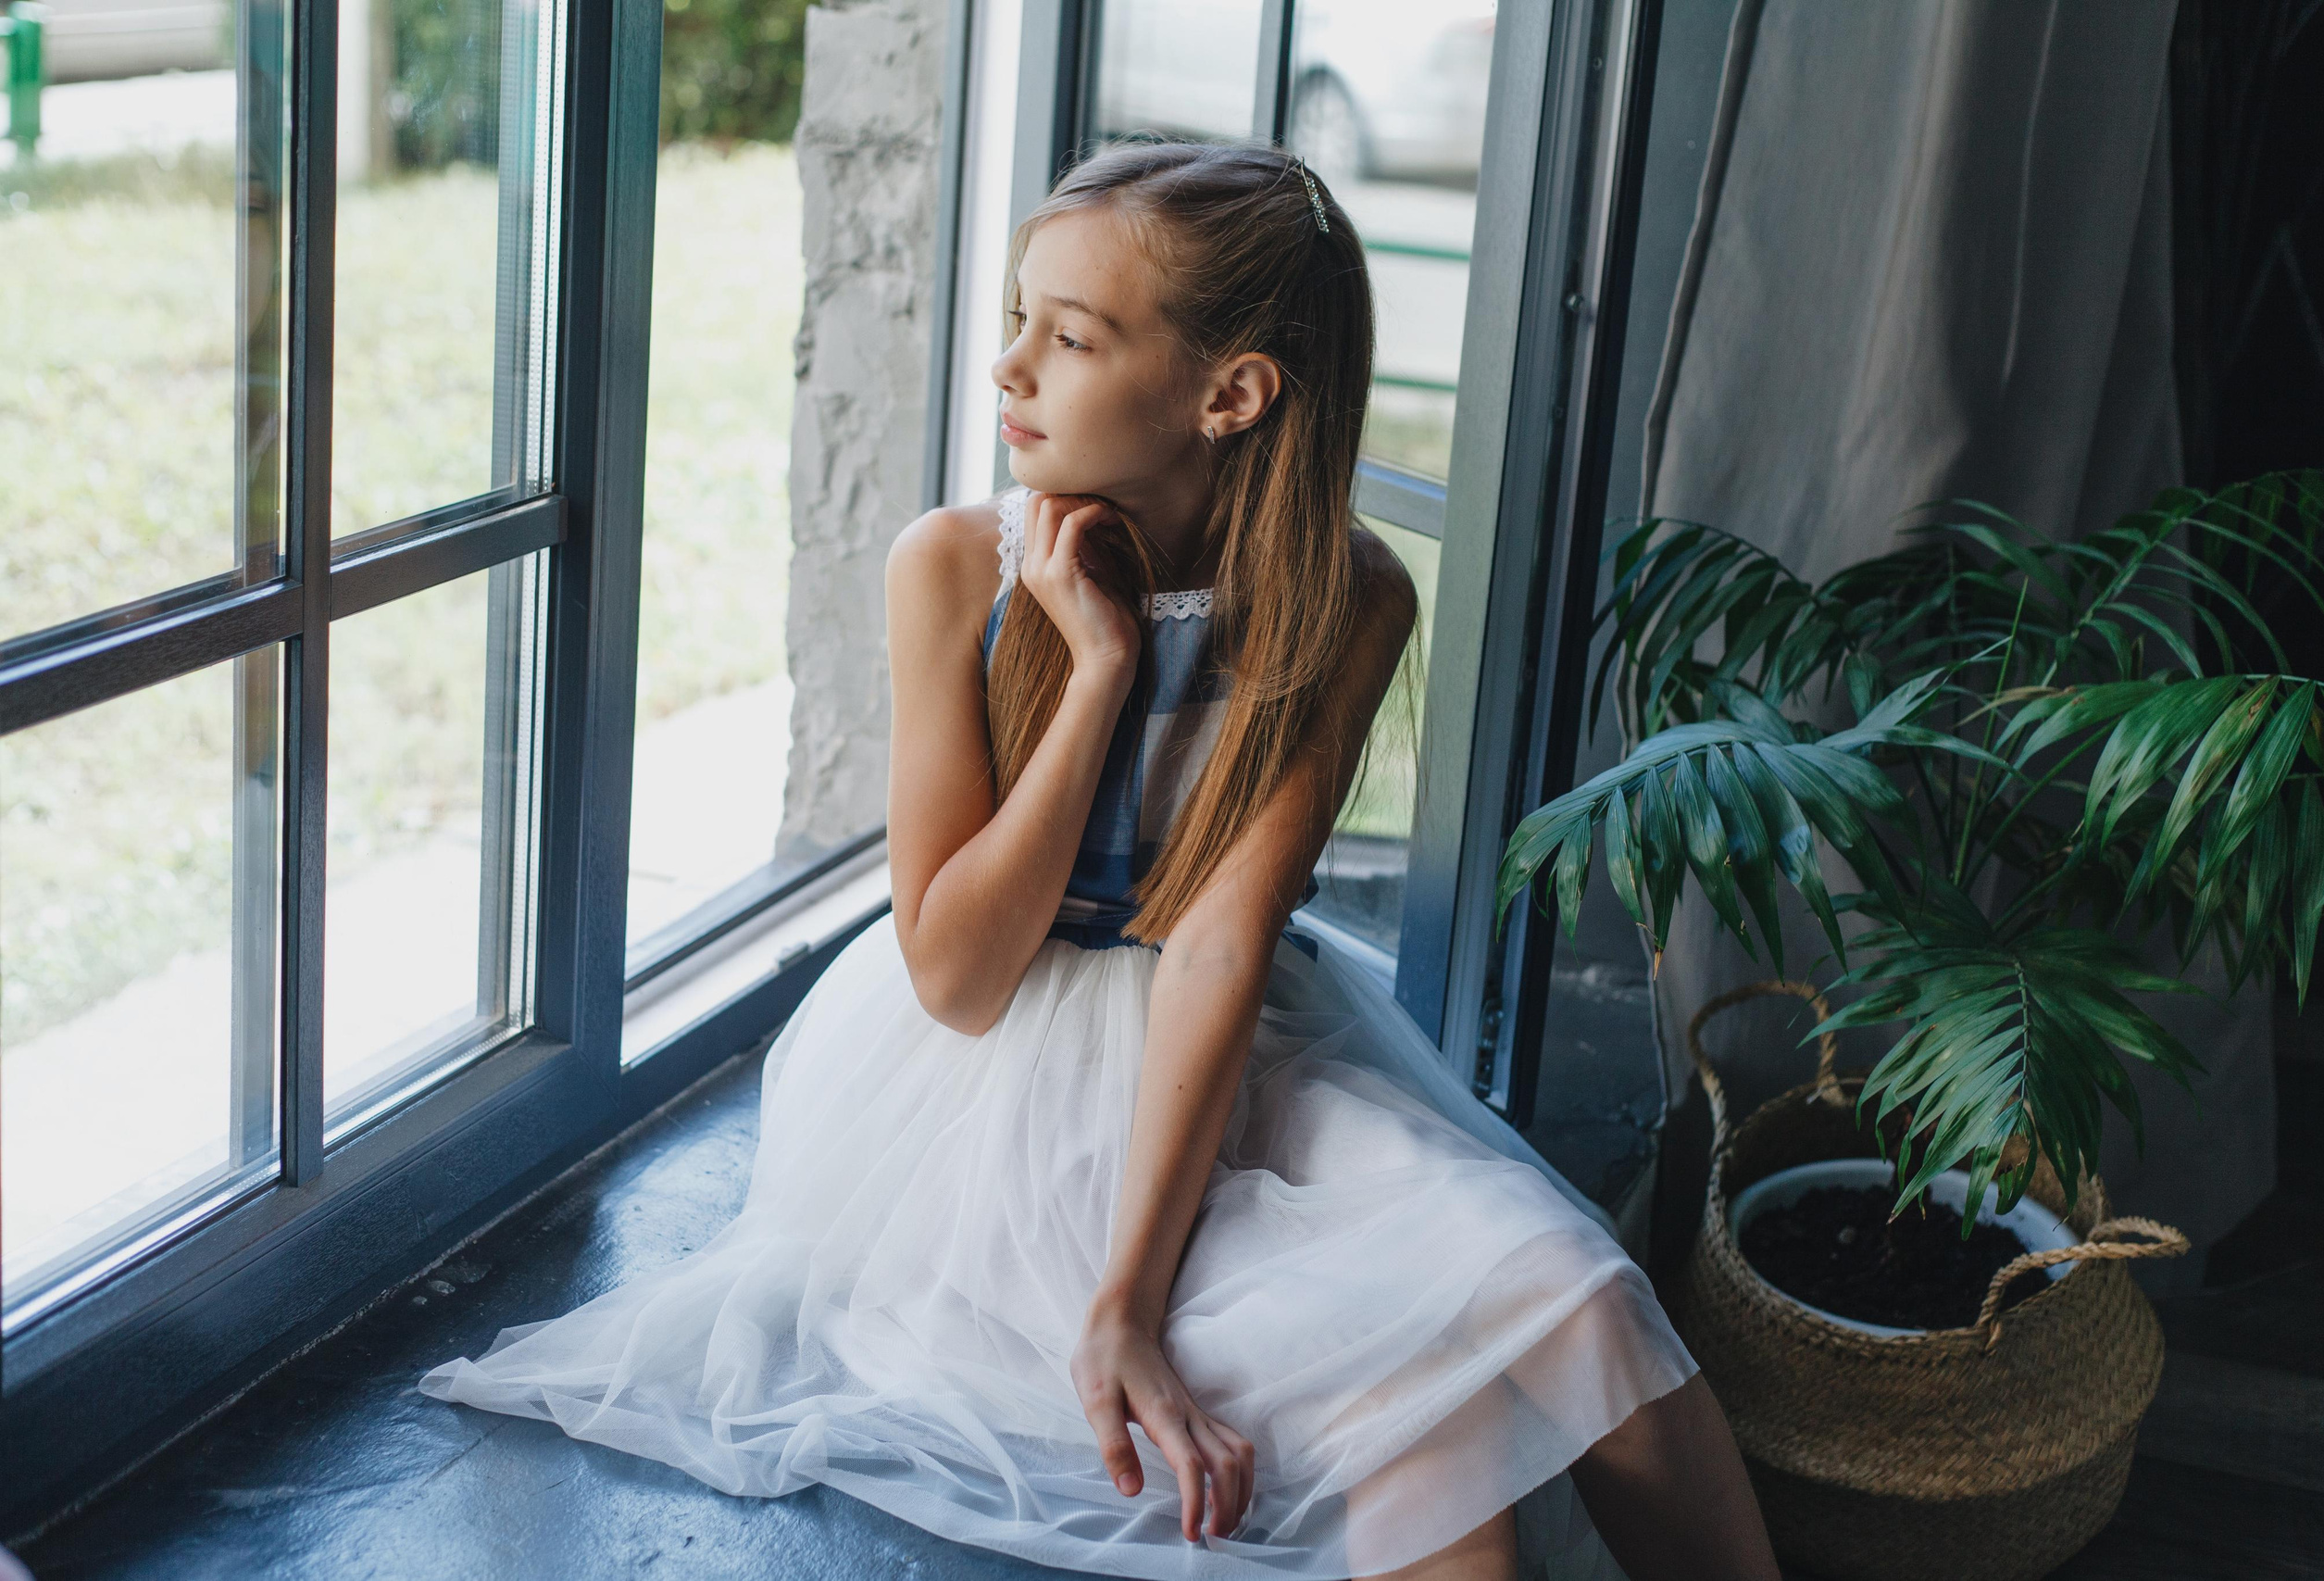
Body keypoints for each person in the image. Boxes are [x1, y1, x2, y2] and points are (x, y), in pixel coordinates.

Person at [420, 140, 1778, 1581]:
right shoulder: (953, 569)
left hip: (1228, 1044)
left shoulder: (1348, 598)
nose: (1008, 369)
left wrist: (1128, 1297)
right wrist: (1098, 671)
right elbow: (955, 973)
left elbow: (1218, 939)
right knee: (1424, 1439)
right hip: (987, 1106)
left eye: (1067, 338)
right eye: (1017, 318)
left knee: (1579, 1295)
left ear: (1232, 394)